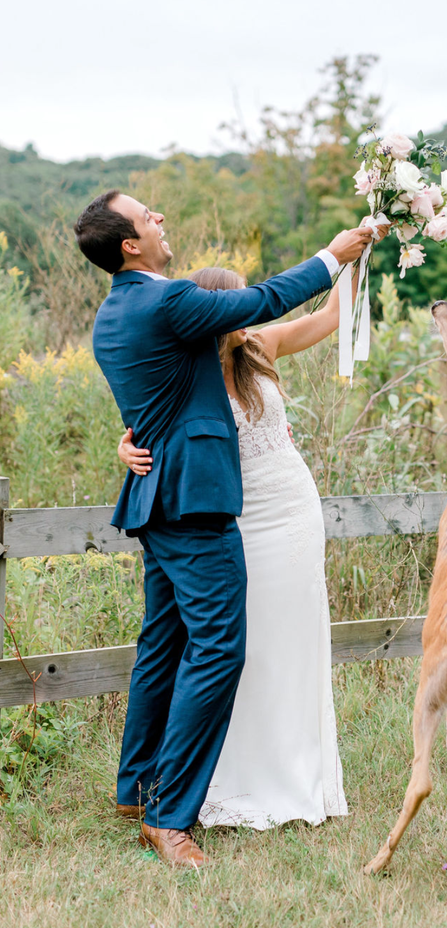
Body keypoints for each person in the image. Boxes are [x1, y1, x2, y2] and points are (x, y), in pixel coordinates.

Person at [74, 189, 373, 867]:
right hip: (196, 504)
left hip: (160, 501)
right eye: (147, 215)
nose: (159, 219)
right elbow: (261, 302)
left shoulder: (114, 314)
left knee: (162, 645)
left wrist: (130, 443)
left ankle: (137, 785)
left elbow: (163, 398)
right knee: (218, 650)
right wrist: (334, 254)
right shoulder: (165, 299)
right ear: (129, 245)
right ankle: (170, 817)